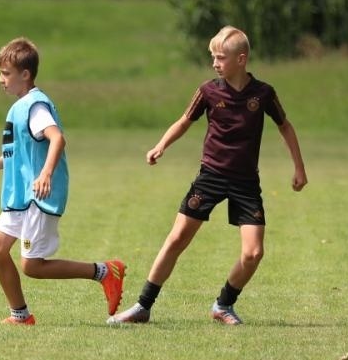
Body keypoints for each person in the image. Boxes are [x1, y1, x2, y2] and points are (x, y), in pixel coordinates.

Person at [110, 25, 307, 326]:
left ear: (241, 59)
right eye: (213, 57)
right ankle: (142, 306)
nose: (215, 63)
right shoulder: (208, 91)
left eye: (221, 57)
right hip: (211, 176)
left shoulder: (263, 93)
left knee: (253, 253)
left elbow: (285, 126)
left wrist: (299, 168)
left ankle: (223, 305)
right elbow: (184, 121)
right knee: (176, 238)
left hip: (246, 182)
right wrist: (160, 146)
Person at [0, 37, 126, 324]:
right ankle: (20, 316)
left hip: (37, 195)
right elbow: (19, 156)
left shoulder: (36, 106)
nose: (1, 80)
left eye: (6, 74)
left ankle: (105, 271)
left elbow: (57, 138)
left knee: (33, 266)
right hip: (20, 196)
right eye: (0, 73)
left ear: (25, 74)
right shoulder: (19, 108)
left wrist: (46, 173)